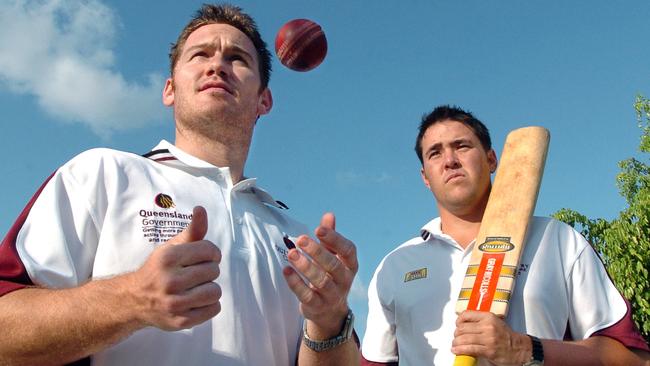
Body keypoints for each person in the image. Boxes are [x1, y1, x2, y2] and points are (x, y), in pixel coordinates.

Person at [0, 4, 360, 366]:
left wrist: (329, 323)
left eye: (238, 59)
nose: (216, 65)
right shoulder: (102, 173)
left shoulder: (296, 238)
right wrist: (132, 298)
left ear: (263, 100)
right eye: (200, 54)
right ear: (170, 90)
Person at [360, 105, 650, 365]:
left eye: (462, 146)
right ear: (425, 176)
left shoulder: (558, 240)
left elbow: (634, 359)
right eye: (435, 153)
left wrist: (524, 349)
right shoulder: (395, 266)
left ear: (492, 160)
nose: (450, 160)